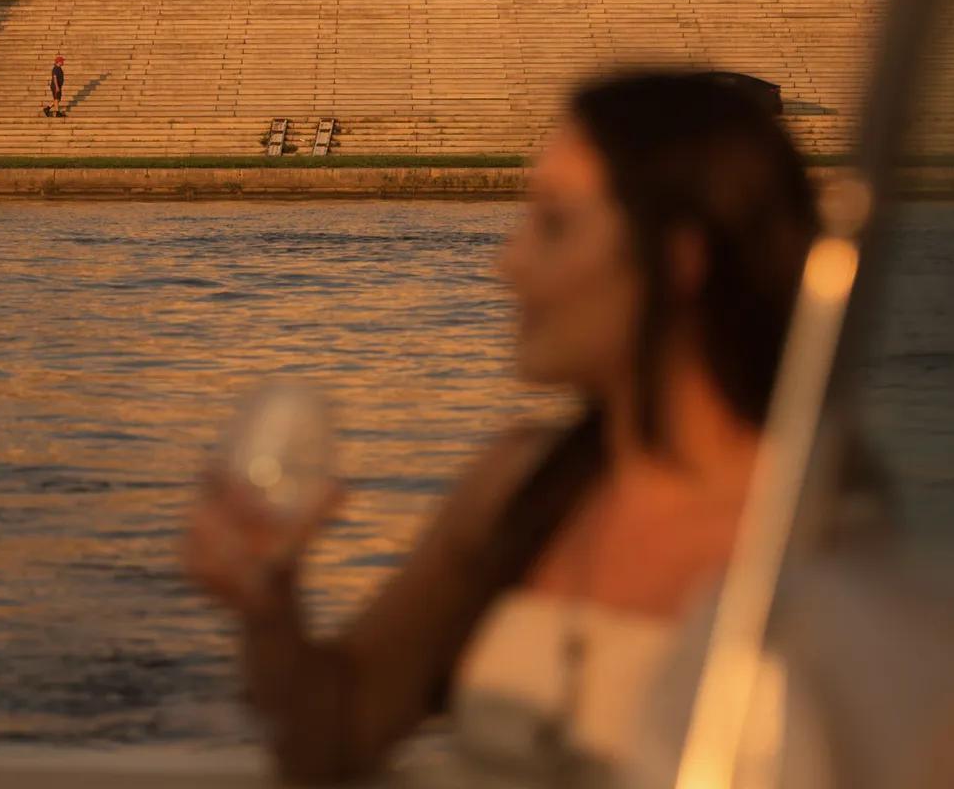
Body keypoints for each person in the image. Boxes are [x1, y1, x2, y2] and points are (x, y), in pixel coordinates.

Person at [184, 69, 820, 783]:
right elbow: (333, 739)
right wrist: (270, 601)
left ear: (678, 260)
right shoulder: (520, 482)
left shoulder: (817, 542)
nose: (506, 265)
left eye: (553, 224)